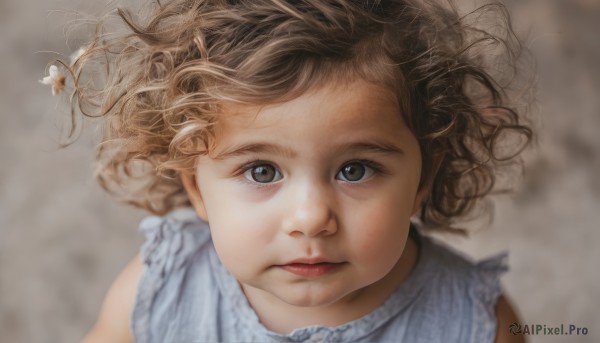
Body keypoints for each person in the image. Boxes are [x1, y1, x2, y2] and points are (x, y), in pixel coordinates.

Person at [42, 0, 533, 342]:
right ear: (197, 188)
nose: (311, 218)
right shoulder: (161, 291)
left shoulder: (475, 323)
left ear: (423, 178)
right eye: (261, 172)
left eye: (356, 169)